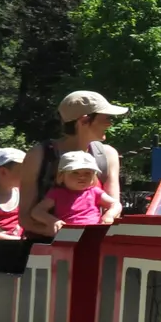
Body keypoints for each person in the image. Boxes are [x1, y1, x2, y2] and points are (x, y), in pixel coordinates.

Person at [19, 91, 127, 239]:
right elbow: (25, 218)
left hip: (93, 244)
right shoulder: (39, 155)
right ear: (83, 121)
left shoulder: (108, 155)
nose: (110, 123)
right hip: (46, 249)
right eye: (106, 117)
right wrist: (55, 231)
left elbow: (114, 210)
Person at [31, 149, 118, 233]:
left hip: (94, 231)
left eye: (87, 173)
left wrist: (109, 215)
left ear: (93, 177)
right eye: (75, 173)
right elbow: (37, 212)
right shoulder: (57, 193)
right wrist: (52, 221)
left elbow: (115, 204)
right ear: (61, 176)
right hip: (68, 233)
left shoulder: (94, 192)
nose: (82, 177)